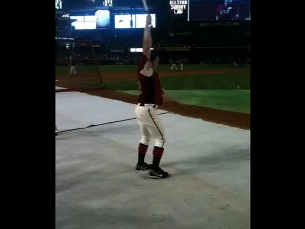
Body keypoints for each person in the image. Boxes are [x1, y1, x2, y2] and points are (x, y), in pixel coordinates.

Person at [134, 14, 169, 179]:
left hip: (141, 108)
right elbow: (146, 46)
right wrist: (147, 25)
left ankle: (140, 163)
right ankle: (155, 169)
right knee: (161, 139)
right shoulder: (145, 68)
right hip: (147, 110)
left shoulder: (150, 74)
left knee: (146, 136)